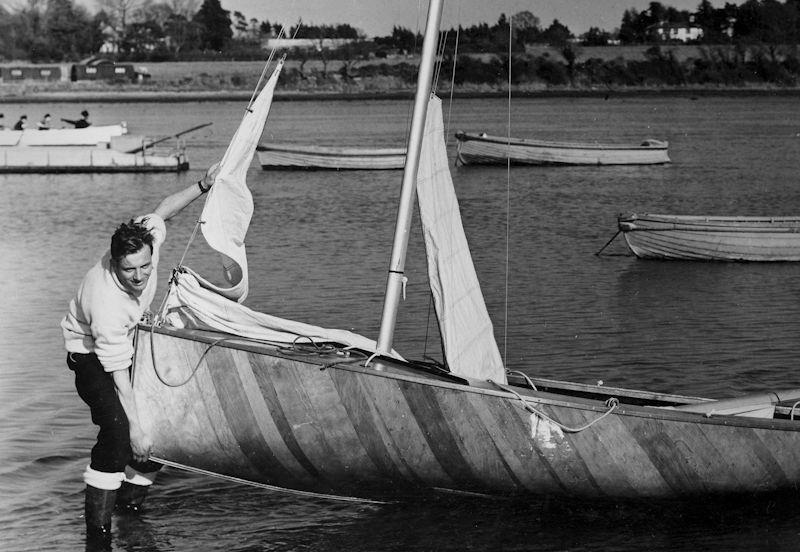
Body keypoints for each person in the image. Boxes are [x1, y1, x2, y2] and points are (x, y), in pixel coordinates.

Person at [61, 164, 218, 546]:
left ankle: (129, 507)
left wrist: (203, 184)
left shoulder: (146, 239)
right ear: (115, 262)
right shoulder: (107, 304)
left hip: (126, 342)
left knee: (162, 422)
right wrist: (137, 428)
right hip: (88, 353)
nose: (139, 276)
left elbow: (163, 210)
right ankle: (97, 536)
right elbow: (116, 374)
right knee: (119, 433)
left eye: (145, 266)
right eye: (129, 269)